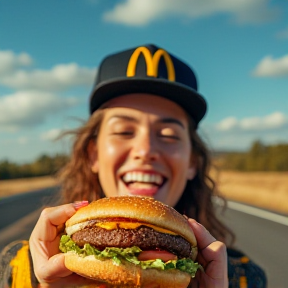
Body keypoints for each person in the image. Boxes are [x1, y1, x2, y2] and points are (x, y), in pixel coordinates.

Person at [0, 44, 266, 288]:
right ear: (93, 155)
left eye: (169, 135)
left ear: (192, 163)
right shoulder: (20, 268)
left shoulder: (241, 277)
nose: (145, 150)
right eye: (124, 131)